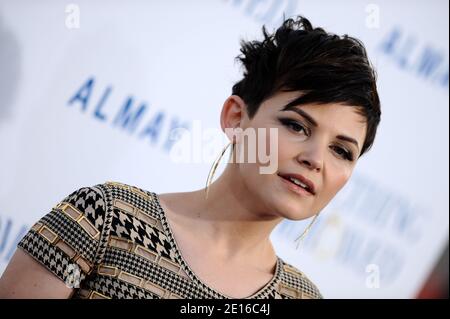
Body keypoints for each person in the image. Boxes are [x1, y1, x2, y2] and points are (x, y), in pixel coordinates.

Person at [0, 15, 380, 299]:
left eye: (341, 150)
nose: (316, 159)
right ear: (235, 118)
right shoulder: (103, 219)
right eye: (297, 126)